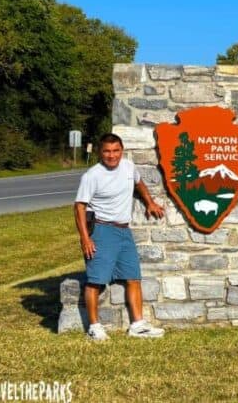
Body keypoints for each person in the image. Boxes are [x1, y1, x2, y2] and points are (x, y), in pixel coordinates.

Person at [74, 133, 166, 340]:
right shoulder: (92, 176)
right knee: (95, 280)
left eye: (116, 150)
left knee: (133, 277)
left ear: (121, 150)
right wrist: (85, 238)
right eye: (107, 151)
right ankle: (94, 327)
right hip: (102, 230)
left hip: (124, 230)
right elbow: (79, 207)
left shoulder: (128, 167)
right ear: (100, 152)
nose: (112, 155)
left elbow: (139, 183)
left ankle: (138, 325)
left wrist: (149, 202)